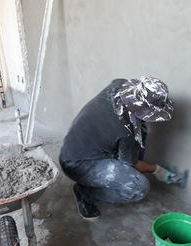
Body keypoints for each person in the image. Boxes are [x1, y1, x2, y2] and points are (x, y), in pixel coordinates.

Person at [59, 76, 177, 219]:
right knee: (139, 187)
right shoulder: (126, 130)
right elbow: (133, 165)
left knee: (140, 135)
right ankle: (85, 194)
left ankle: (109, 171)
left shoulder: (120, 85)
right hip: (78, 164)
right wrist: (157, 170)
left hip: (73, 147)